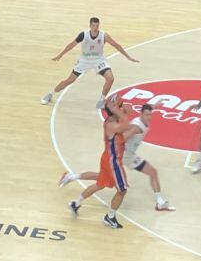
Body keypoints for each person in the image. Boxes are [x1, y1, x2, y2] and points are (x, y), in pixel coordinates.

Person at [59, 94, 130, 228]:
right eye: (120, 107)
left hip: (107, 158)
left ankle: (76, 203)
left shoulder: (111, 119)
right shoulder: (112, 125)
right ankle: (110, 217)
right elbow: (127, 125)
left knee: (100, 184)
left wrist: (120, 108)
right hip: (113, 163)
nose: (122, 109)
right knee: (122, 190)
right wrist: (119, 110)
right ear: (115, 110)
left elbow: (127, 111)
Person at [42, 16, 139, 108]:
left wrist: (128, 56)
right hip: (84, 60)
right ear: (90, 25)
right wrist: (60, 55)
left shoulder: (104, 35)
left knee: (110, 78)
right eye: (93, 26)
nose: (95, 28)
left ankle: (101, 100)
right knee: (69, 80)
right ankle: (51, 94)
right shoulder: (83, 35)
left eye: (97, 26)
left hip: (98, 60)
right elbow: (71, 45)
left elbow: (116, 45)